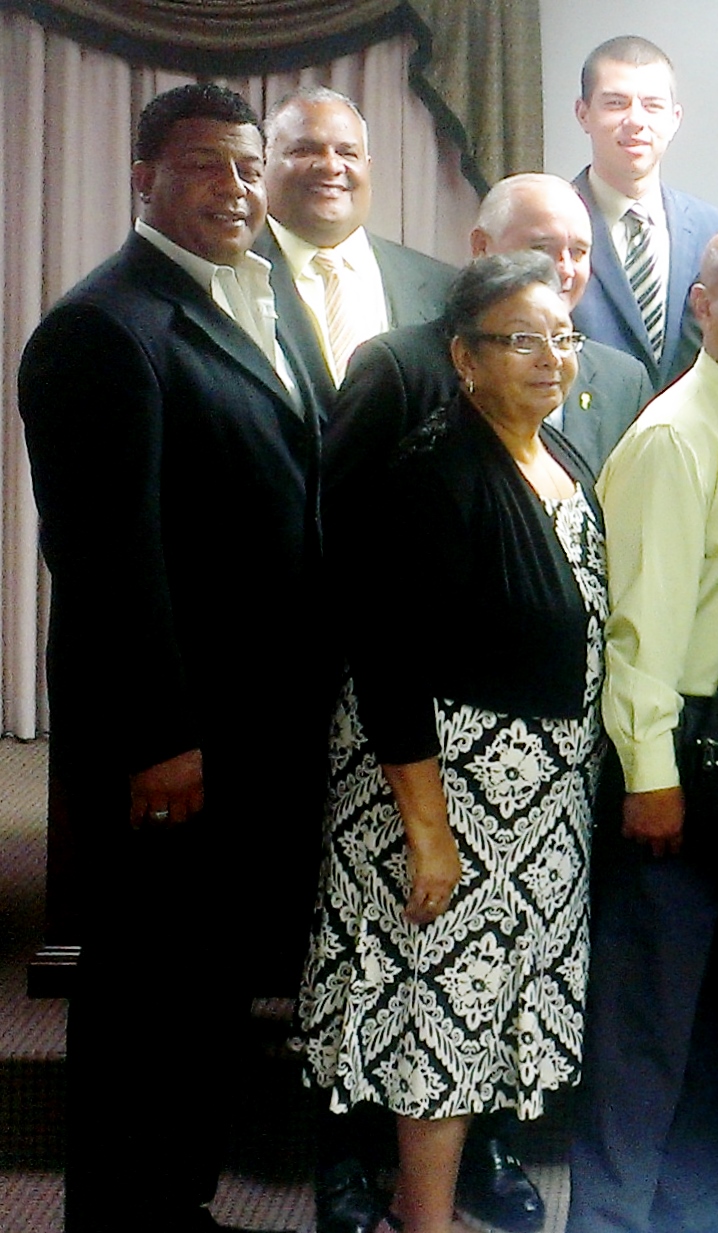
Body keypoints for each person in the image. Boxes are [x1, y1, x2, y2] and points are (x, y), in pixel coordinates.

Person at [20, 79, 331, 1233]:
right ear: (144, 176)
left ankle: (176, 1203)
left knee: (205, 985)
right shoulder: (102, 327)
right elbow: (107, 557)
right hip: (175, 743)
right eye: (205, 165)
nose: (235, 187)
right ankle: (118, 1215)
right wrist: (162, 738)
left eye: (248, 167)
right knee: (143, 990)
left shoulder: (265, 296)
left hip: (259, 723)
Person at [297, 251, 604, 1233]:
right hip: (446, 799)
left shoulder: (561, 456)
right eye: (522, 341)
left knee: (482, 1016)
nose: (550, 358)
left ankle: (416, 1203)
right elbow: (387, 659)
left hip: (535, 806)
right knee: (439, 1017)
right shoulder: (432, 472)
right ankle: (423, 1221)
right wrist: (429, 832)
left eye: (561, 337)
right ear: (465, 359)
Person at [571, 225, 718, 1233]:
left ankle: (686, 1195)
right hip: (683, 748)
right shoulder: (673, 437)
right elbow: (640, 627)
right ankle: (610, 1218)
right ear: (703, 307)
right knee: (648, 1011)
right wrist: (649, 773)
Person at [330, 174, 654, 494]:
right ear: (481, 247)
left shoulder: (623, 380)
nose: (565, 269)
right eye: (541, 248)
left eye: (579, 252)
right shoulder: (400, 369)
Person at [254, 86, 455, 408]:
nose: (330, 166)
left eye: (347, 153)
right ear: (263, 164)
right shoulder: (226, 276)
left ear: (368, 166)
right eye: (305, 150)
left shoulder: (442, 288)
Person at [571, 36, 718, 389]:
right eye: (616, 104)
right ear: (583, 114)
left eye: (652, 105)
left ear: (674, 119)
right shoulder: (550, 225)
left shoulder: (715, 232)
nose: (635, 121)